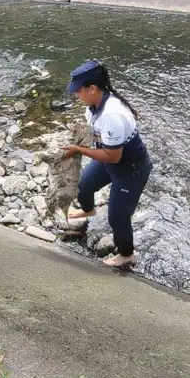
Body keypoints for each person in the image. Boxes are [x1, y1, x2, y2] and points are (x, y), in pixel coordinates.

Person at [62, 60, 152, 268]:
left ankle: (127, 254)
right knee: (85, 185)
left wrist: (78, 151)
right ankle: (88, 210)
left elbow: (113, 157)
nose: (77, 95)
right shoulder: (93, 107)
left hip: (130, 169)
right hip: (110, 157)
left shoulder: (112, 114)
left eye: (79, 91)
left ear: (92, 89)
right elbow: (94, 135)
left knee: (117, 217)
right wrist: (75, 144)